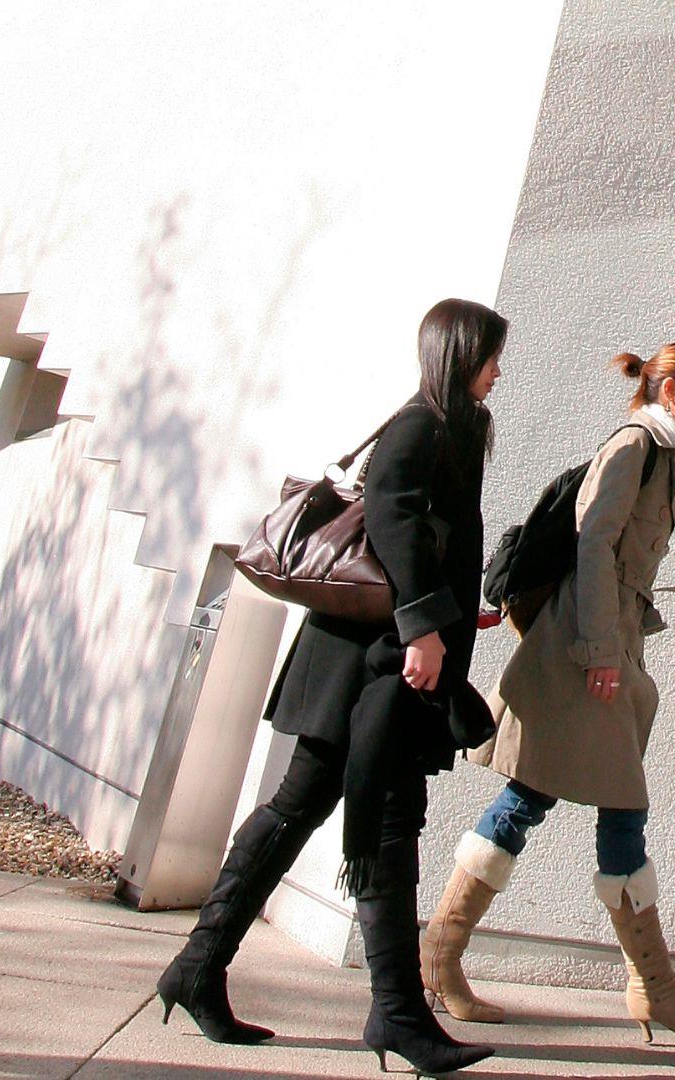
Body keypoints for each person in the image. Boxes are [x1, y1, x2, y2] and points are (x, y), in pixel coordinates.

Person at [156, 298, 506, 1075]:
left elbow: (430, 537)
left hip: (374, 659)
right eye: (489, 354)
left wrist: (450, 615)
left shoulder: (455, 428)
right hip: (373, 664)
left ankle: (199, 968)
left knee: (299, 808)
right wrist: (422, 626)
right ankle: (397, 1016)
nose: (497, 369)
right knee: (383, 818)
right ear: (457, 353)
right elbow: (389, 514)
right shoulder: (419, 425)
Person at [417, 343, 675, 1043]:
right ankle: (651, 987)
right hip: (583, 652)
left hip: (608, 645)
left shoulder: (665, 455)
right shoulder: (636, 447)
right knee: (614, 803)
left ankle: (442, 951)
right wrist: (600, 652)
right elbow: (593, 545)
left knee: (532, 797)